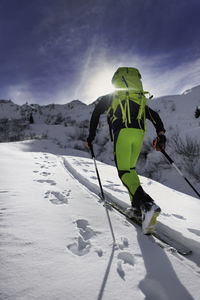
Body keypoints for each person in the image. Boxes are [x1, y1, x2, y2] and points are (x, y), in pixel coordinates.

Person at [86, 67, 166, 228]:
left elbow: (96, 113)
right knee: (130, 170)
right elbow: (154, 116)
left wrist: (91, 136)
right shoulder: (139, 98)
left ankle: (147, 204)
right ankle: (136, 208)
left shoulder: (113, 96)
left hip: (122, 133)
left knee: (123, 172)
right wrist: (161, 135)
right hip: (138, 135)